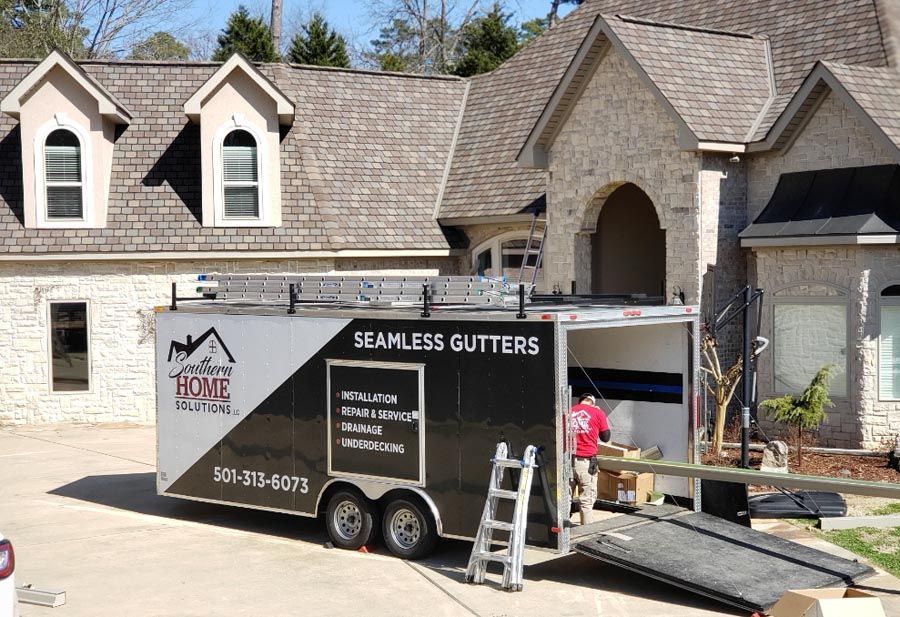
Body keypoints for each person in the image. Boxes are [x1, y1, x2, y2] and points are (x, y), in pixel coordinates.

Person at [571, 393, 611, 525]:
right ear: (593, 403)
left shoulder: (568, 412)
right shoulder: (597, 412)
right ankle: (586, 533)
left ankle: (561, 533)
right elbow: (606, 437)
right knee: (586, 501)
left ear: (580, 401)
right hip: (586, 463)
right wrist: (599, 415)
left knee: (564, 500)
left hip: (567, 462)